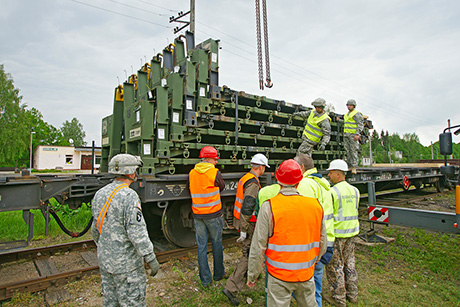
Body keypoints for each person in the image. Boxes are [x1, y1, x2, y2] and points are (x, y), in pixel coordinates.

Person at [247, 159, 327, 307]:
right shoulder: (315, 206)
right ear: (299, 182)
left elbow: (258, 246)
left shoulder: (269, 206)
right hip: (306, 274)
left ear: (278, 181)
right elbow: (323, 241)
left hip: (278, 276)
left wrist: (253, 275)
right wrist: (313, 261)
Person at [91, 154, 159, 307]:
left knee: (110, 301)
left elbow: (95, 230)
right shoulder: (129, 196)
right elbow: (137, 232)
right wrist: (150, 257)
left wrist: (106, 249)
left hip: (105, 262)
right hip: (127, 267)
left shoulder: (100, 193)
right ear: (130, 172)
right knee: (132, 302)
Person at [223, 153, 269, 306]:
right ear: (261, 167)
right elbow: (248, 207)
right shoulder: (253, 183)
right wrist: (244, 229)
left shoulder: (245, 177)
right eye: (264, 168)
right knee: (248, 254)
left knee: (248, 253)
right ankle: (232, 287)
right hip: (248, 223)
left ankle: (250, 276)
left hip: (242, 221)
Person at [295, 154, 335, 307]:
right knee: (316, 286)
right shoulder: (322, 183)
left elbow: (302, 216)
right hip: (326, 242)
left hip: (312, 244)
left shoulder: (305, 184)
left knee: (307, 289)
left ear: (302, 168)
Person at [188, 146, 226, 288]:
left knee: (201, 247)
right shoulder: (215, 173)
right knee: (217, 244)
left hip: (198, 215)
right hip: (213, 215)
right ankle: (218, 274)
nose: (216, 162)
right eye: (215, 159)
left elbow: (189, 188)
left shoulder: (192, 173)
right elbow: (221, 187)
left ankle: (205, 280)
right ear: (209, 159)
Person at [325, 159, 360, 307]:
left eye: (331, 172)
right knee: (350, 264)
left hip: (338, 235)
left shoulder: (333, 192)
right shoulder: (355, 191)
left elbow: (328, 216)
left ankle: (339, 299)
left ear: (338, 174)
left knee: (336, 266)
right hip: (352, 233)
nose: (329, 174)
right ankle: (353, 295)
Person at [342, 99, 364, 174]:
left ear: (353, 106)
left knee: (353, 150)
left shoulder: (356, 114)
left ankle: (354, 167)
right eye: (348, 105)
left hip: (353, 135)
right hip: (346, 135)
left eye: (350, 105)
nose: (348, 107)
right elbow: (346, 123)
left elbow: (360, 124)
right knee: (348, 151)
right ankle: (350, 166)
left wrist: (357, 134)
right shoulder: (346, 114)